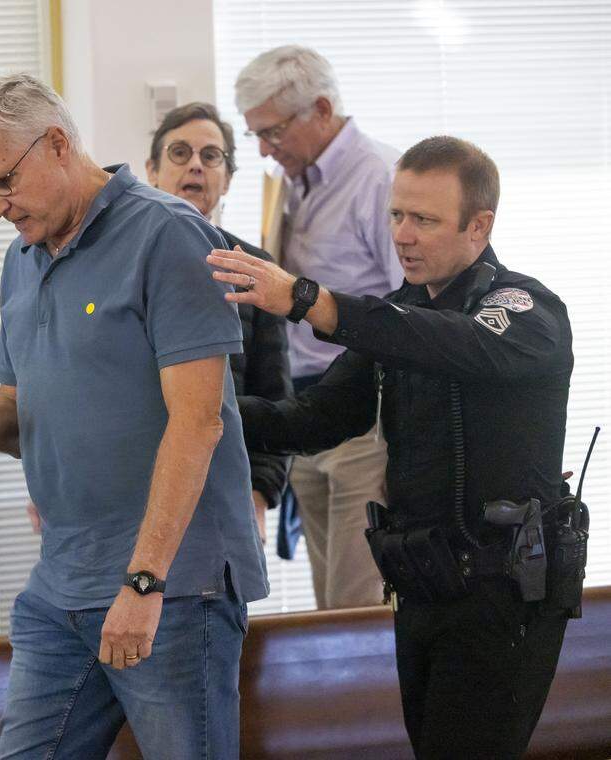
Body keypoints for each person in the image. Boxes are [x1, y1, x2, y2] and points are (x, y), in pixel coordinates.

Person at [0, 73, 268, 759]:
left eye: (2, 182)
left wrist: (145, 581)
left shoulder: (168, 236)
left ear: (56, 144)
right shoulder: (22, 260)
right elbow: (20, 422)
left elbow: (199, 424)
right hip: (62, 585)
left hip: (173, 585)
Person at [209, 136, 574, 758]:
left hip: (501, 597)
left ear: (478, 226)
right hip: (424, 587)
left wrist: (307, 300)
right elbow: (312, 420)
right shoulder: (398, 315)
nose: (402, 235)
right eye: (397, 215)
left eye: (424, 220)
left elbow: (451, 343)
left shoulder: (524, 309)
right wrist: (200, 413)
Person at [233, 44, 403, 609]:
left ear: (322, 109)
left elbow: (415, 310)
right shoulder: (294, 182)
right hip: (304, 411)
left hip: (363, 413)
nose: (263, 148)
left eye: (273, 132)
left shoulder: (380, 179)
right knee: (328, 604)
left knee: (360, 603)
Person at [145, 101, 292, 543]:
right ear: (152, 170)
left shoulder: (257, 271)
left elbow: (274, 399)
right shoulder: (117, 265)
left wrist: (261, 495)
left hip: (224, 496)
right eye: (180, 153)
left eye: (211, 157)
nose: (195, 166)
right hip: (133, 492)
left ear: (227, 178)